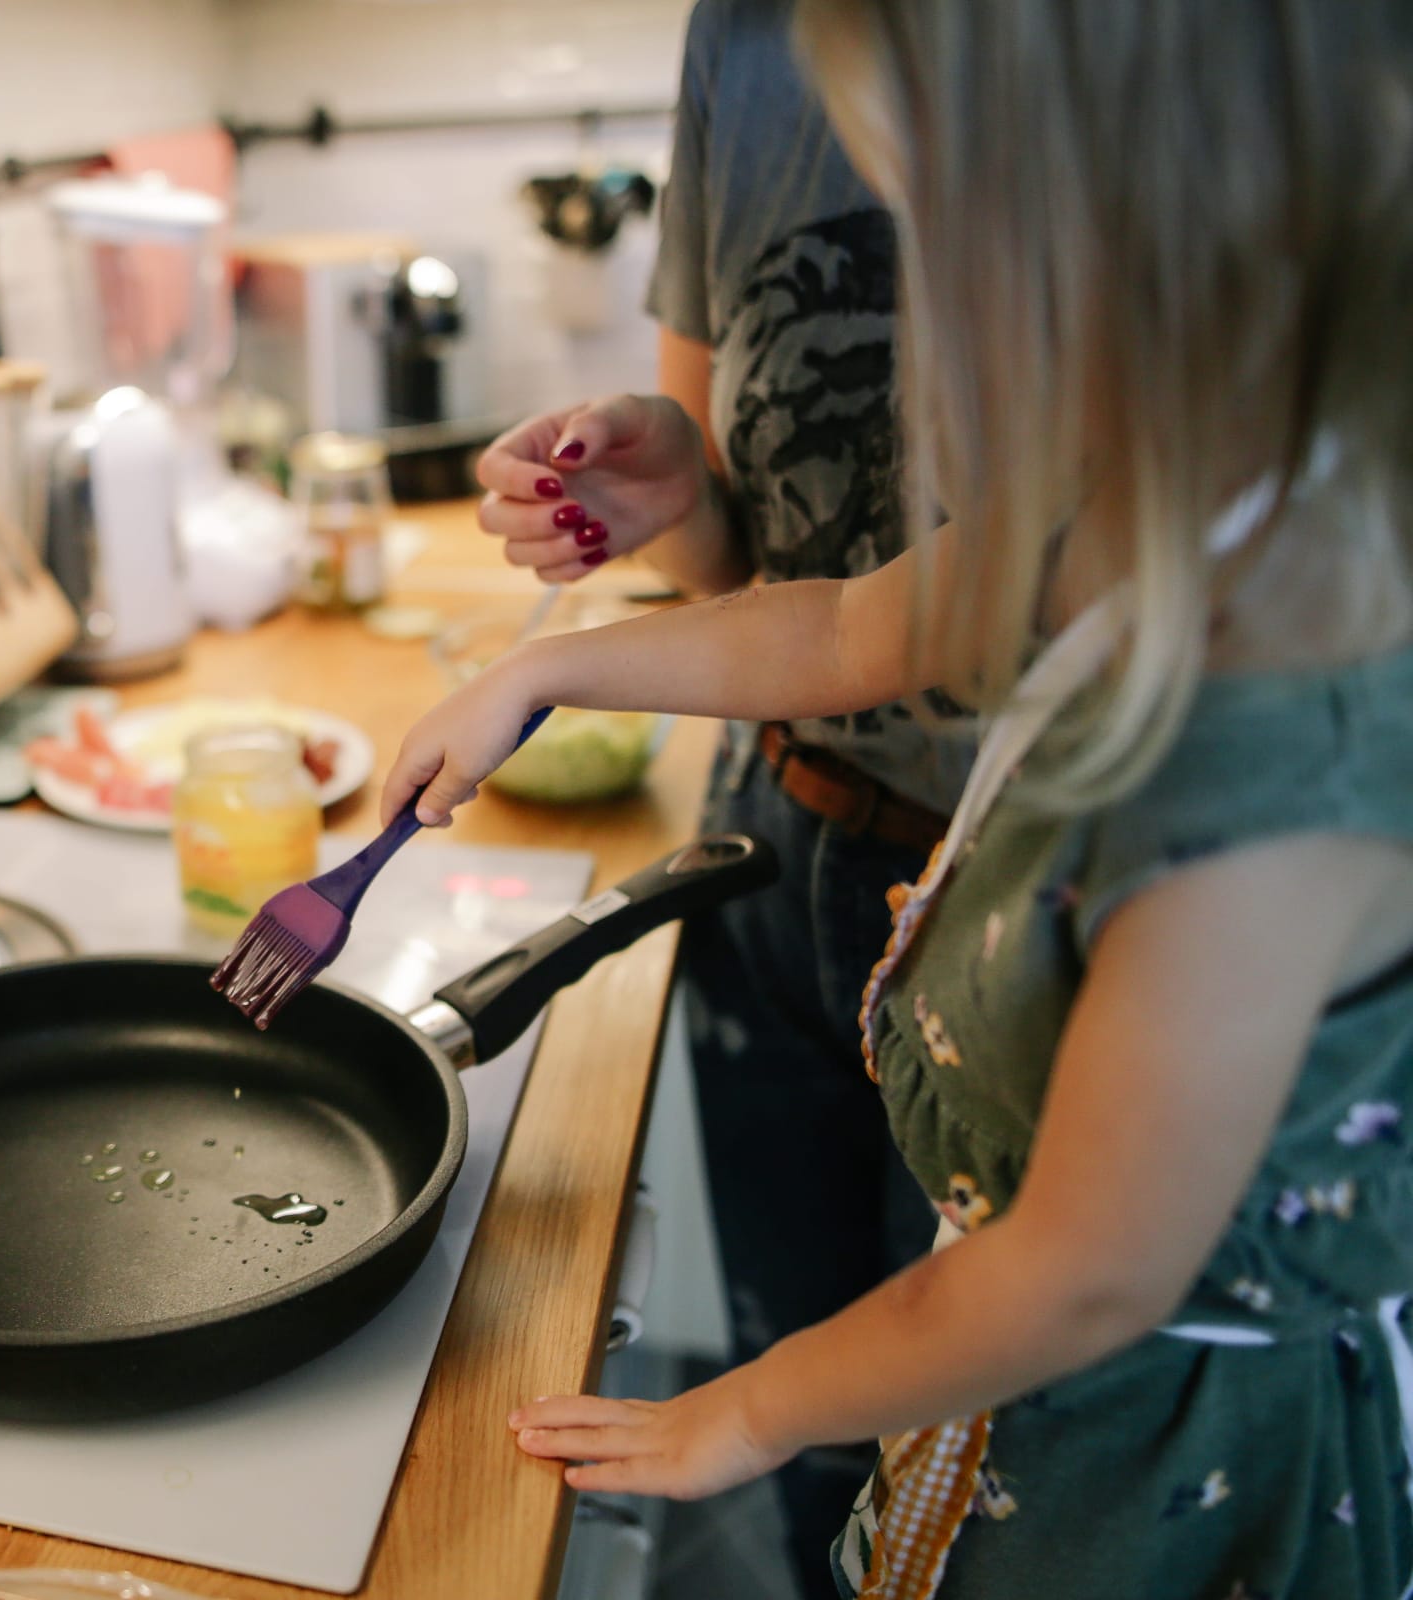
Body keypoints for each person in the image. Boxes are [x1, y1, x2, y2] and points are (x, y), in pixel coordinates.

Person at [387, 1, 1413, 1593]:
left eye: (945, 222)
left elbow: (1082, 1276)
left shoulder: (1269, 763)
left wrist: (752, 1410)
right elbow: (846, 630)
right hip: (1016, 1385)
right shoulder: (1157, 504)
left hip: (1155, 1472)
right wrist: (546, 671)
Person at [473, 1, 949, 1583]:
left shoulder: (1182, 65)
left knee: (973, 1456)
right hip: (780, 844)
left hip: (1034, 886)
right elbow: (771, 577)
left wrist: (549, 672)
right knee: (809, 1416)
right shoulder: (746, 38)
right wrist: (666, 488)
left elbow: (1084, 1278)